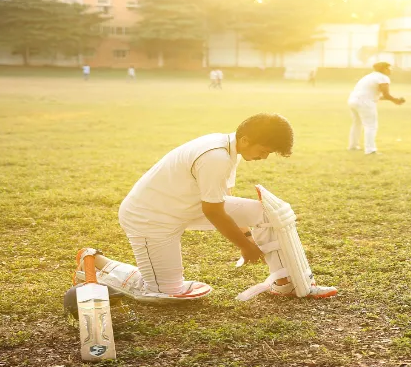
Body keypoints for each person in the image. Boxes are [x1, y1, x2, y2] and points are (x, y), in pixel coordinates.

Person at [76, 114, 337, 301]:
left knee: (268, 214)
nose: (264, 157)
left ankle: (285, 282)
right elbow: (214, 212)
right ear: (246, 139)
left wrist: (247, 235)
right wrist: (246, 247)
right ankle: (96, 265)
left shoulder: (228, 148)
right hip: (151, 218)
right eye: (264, 150)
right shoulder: (216, 156)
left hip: (185, 208)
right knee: (167, 294)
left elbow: (224, 201)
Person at [347, 62, 405, 155]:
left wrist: (395, 100)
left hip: (353, 100)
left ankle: (353, 146)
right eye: (389, 68)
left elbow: (374, 95)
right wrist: (395, 100)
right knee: (371, 125)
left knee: (357, 124)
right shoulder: (383, 77)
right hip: (365, 102)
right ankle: (370, 150)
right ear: (383, 69)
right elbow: (386, 94)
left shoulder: (369, 76)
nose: (390, 70)